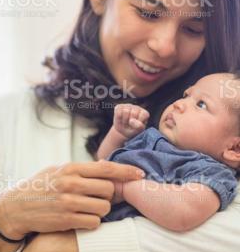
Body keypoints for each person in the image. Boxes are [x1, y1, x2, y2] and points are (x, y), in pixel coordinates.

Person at [0, 0, 239, 252]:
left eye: (193, 30)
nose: (164, 45)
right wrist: (0, 221)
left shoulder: (221, 140)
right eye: (148, 13)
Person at [98, 72, 240, 229]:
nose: (179, 104)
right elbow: (102, 162)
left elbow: (184, 211)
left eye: (201, 104)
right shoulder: (150, 137)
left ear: (234, 149)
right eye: (186, 95)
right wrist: (118, 134)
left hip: (113, 232)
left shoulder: (209, 171)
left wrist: (125, 188)